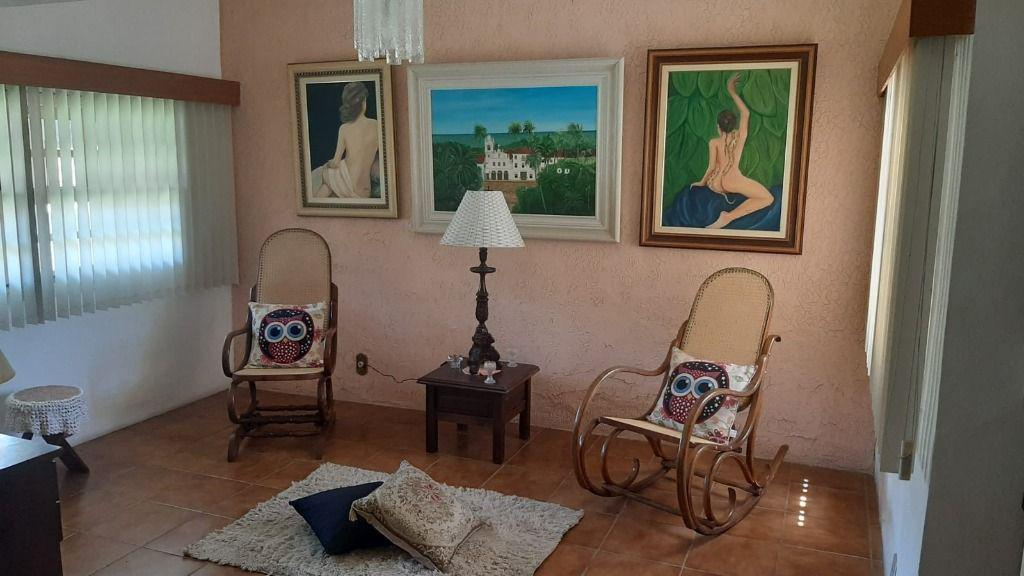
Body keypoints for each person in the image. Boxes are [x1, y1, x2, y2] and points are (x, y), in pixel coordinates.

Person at [691, 73, 775, 229]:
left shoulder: (714, 142)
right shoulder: (740, 136)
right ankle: (728, 217)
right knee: (768, 198)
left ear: (718, 126)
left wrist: (701, 182)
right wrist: (732, 91)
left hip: (714, 183)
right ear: (734, 124)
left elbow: (711, 167)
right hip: (733, 179)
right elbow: (746, 113)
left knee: (763, 196)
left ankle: (726, 218)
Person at [316, 82, 379, 199]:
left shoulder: (344, 128)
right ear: (363, 102)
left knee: (326, 174)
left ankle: (314, 203)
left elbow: (335, 162)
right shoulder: (377, 125)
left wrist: (328, 165)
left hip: (346, 180)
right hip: (364, 191)